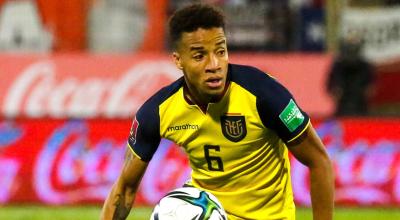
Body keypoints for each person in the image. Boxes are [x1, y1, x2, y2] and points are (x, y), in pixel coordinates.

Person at [101, 3, 334, 220]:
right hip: (209, 211)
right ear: (178, 60)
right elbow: (125, 188)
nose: (214, 65)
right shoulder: (158, 111)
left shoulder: (264, 93)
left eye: (220, 51)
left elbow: (319, 161)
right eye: (199, 56)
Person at [327, 34, 375, 116]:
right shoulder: (337, 66)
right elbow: (330, 86)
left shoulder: (365, 66)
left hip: (361, 108)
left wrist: (365, 91)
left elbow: (371, 88)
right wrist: (336, 91)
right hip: (342, 109)